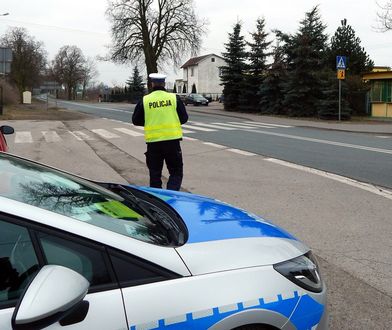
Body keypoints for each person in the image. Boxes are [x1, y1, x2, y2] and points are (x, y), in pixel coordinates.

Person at [132, 73, 188, 191]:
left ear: (152, 84)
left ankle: (157, 200)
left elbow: (136, 120)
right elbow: (184, 118)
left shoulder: (145, 100)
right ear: (163, 83)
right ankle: (171, 198)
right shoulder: (174, 98)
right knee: (176, 173)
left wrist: (151, 121)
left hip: (153, 143)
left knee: (155, 174)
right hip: (172, 142)